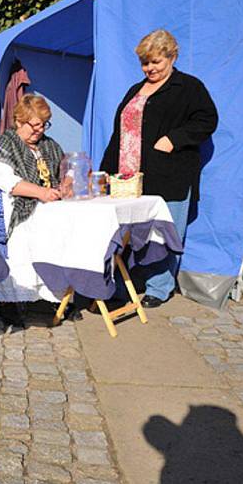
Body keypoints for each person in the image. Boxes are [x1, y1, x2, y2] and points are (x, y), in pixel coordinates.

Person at [100, 29, 218, 308]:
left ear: (172, 57)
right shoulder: (135, 90)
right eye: (145, 63)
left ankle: (159, 287)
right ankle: (126, 284)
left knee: (164, 232)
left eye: (156, 62)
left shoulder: (189, 87)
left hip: (170, 175)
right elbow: (119, 134)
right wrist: (107, 169)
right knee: (127, 233)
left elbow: (207, 120)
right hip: (128, 178)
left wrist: (174, 139)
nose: (150, 68)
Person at [0, 95, 64, 327]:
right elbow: (7, 181)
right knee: (19, 255)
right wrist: (41, 192)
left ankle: (47, 298)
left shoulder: (49, 145)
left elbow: (61, 169)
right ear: (19, 121)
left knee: (49, 252)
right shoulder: (4, 146)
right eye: (34, 125)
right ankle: (10, 302)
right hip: (15, 210)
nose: (39, 130)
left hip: (47, 212)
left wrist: (66, 181)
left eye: (44, 124)